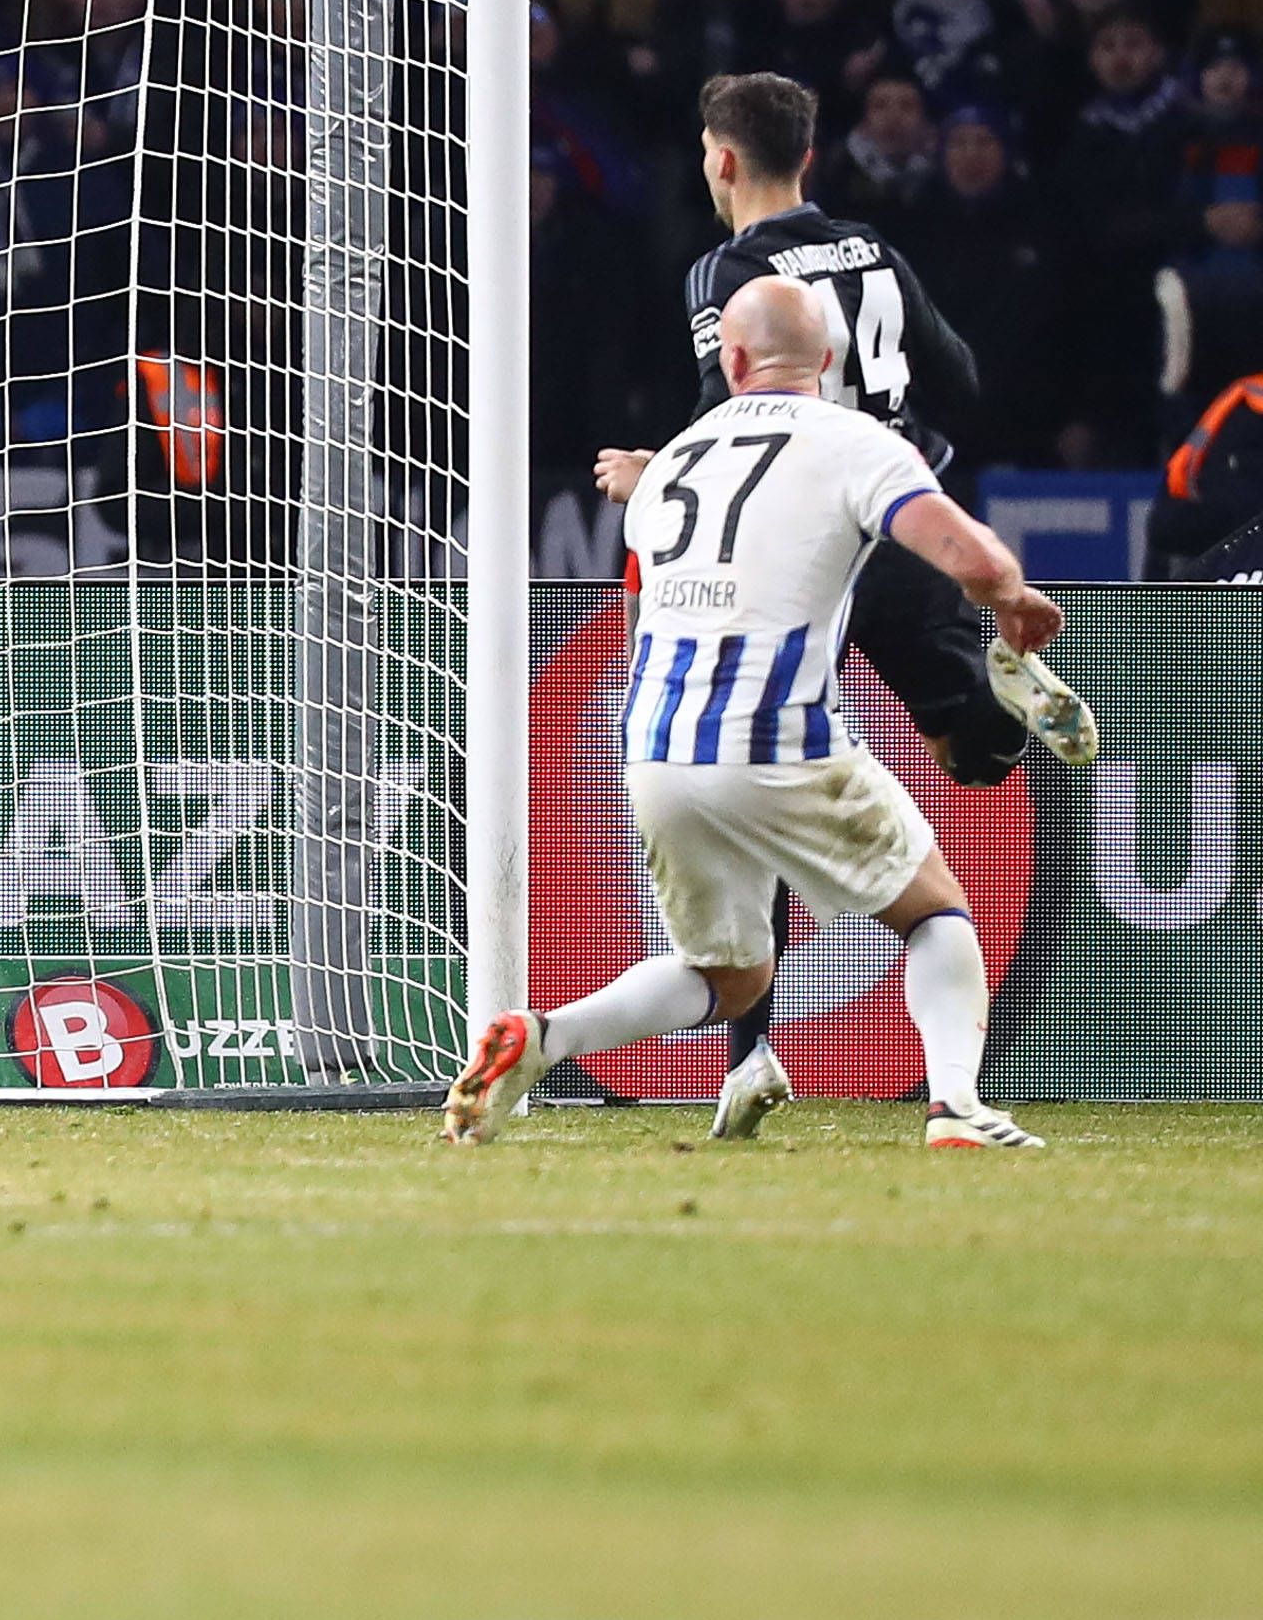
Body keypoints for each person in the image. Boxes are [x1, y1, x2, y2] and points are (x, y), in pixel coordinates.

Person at [590, 73, 1096, 1138]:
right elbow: (956, 371)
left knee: (748, 769)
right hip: (895, 523)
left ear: (719, 159)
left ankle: (751, 1054)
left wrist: (657, 470)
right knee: (974, 760)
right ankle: (1007, 700)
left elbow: (720, 411)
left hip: (790, 540)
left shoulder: (726, 272)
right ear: (807, 156)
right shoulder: (871, 251)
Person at [452, 278, 1058, 1154]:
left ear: (731, 361)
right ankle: (957, 1108)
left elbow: (640, 615)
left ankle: (542, 1037)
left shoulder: (676, 462)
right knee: (935, 912)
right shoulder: (857, 440)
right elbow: (959, 547)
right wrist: (1010, 596)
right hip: (777, 730)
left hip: (658, 744)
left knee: (728, 978)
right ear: (828, 359)